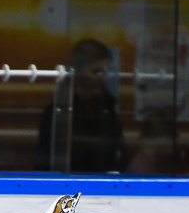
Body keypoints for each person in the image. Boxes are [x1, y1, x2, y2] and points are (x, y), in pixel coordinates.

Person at [34, 39, 128, 174]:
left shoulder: (107, 106)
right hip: (70, 181)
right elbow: (48, 161)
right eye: (96, 72)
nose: (103, 77)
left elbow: (118, 151)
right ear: (78, 72)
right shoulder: (60, 110)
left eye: (105, 71)